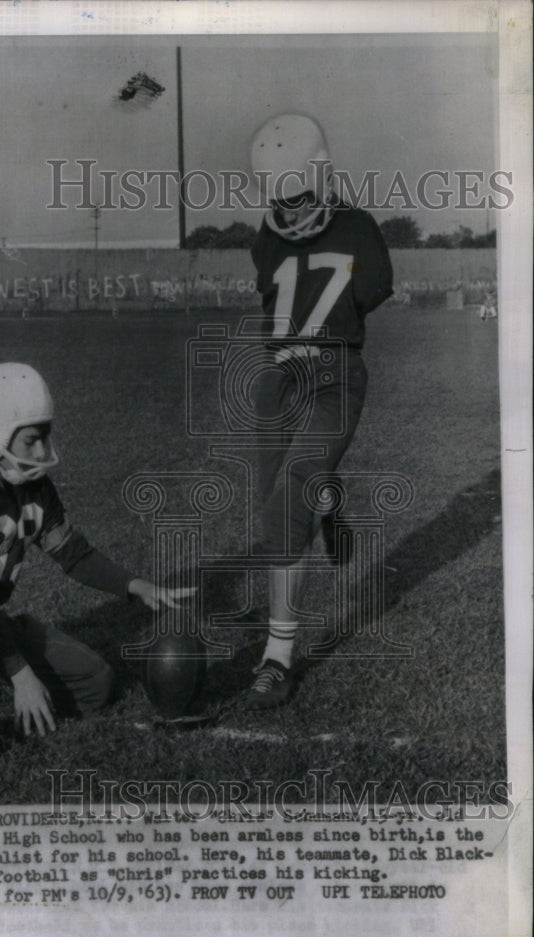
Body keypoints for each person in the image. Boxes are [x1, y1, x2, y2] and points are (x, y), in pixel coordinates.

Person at [0, 362, 192, 795]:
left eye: (44, 435)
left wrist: (135, 585)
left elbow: (73, 553)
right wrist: (21, 673)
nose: (42, 449)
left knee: (96, 683)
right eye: (32, 439)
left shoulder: (35, 490)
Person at [244, 113, 394, 709]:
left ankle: (276, 658)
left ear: (323, 177)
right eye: (282, 198)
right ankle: (326, 498)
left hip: (334, 375)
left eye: (300, 194)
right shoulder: (269, 233)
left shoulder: (358, 226)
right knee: (272, 508)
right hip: (278, 380)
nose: (291, 209)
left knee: (285, 508)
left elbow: (365, 295)